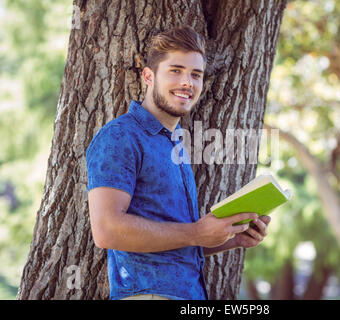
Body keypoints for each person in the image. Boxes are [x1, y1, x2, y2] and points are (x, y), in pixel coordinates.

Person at [85, 26, 271, 300]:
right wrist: (196, 232)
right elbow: (107, 230)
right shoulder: (120, 136)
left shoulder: (174, 143)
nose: (188, 82)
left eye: (196, 74)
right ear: (149, 76)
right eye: (176, 70)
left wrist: (229, 238)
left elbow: (174, 237)